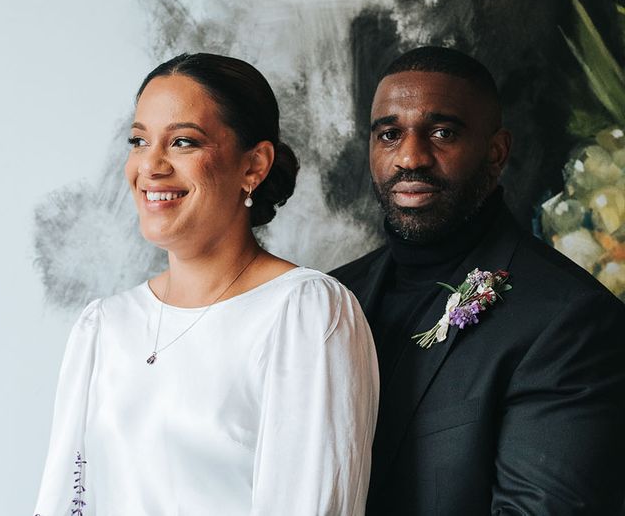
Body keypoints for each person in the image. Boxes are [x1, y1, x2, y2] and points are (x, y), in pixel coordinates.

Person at [34, 52, 379, 516]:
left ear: (254, 165)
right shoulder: (102, 327)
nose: (150, 165)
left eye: (182, 142)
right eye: (138, 140)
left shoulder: (304, 315)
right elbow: (63, 502)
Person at [332, 45, 625, 515]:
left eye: (442, 132)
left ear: (496, 151)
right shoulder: (331, 298)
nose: (411, 157)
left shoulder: (571, 320)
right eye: (389, 134)